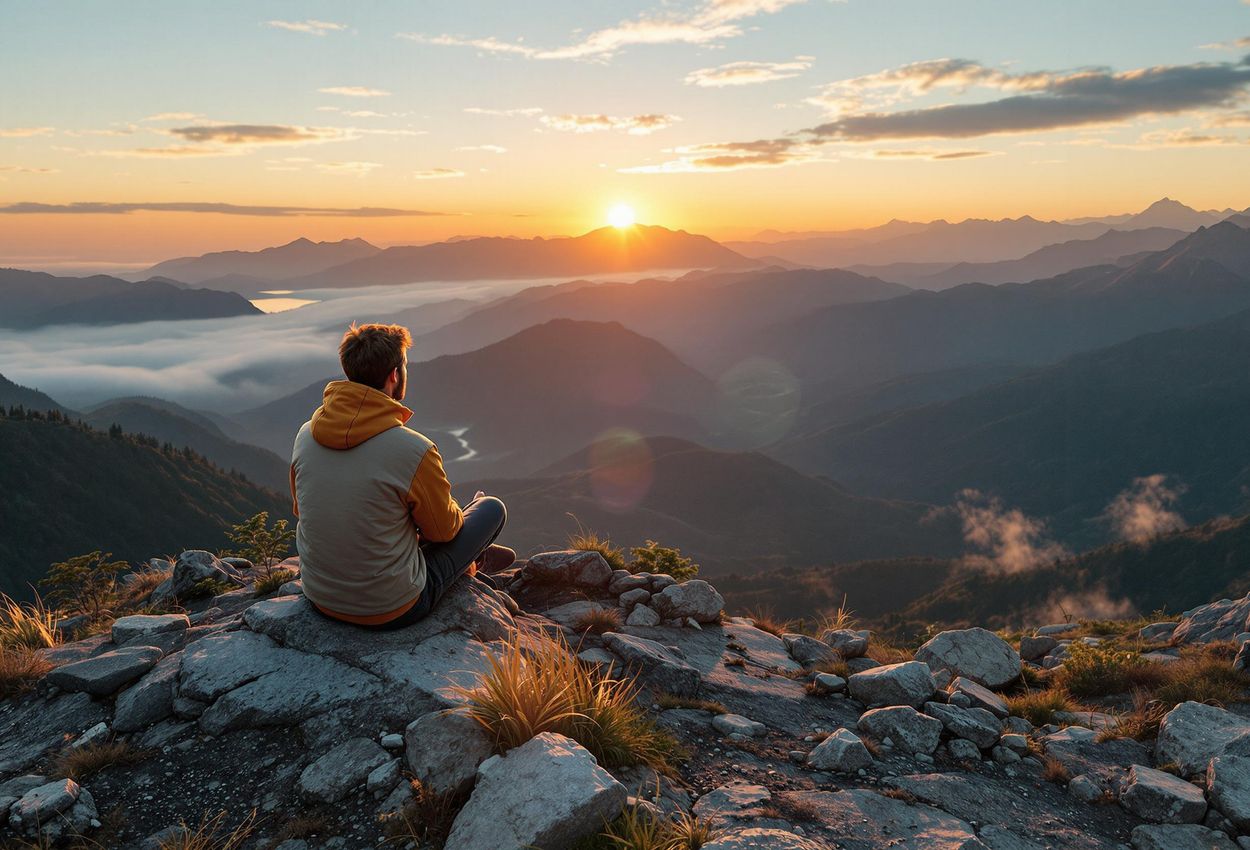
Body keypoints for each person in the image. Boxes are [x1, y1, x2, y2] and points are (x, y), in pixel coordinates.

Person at [289, 322, 514, 629]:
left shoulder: (305, 435)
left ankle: (471, 553)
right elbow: (443, 533)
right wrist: (461, 518)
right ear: (395, 375)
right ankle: (472, 558)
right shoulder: (413, 450)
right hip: (393, 608)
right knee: (491, 509)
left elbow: (307, 510)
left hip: (320, 596)